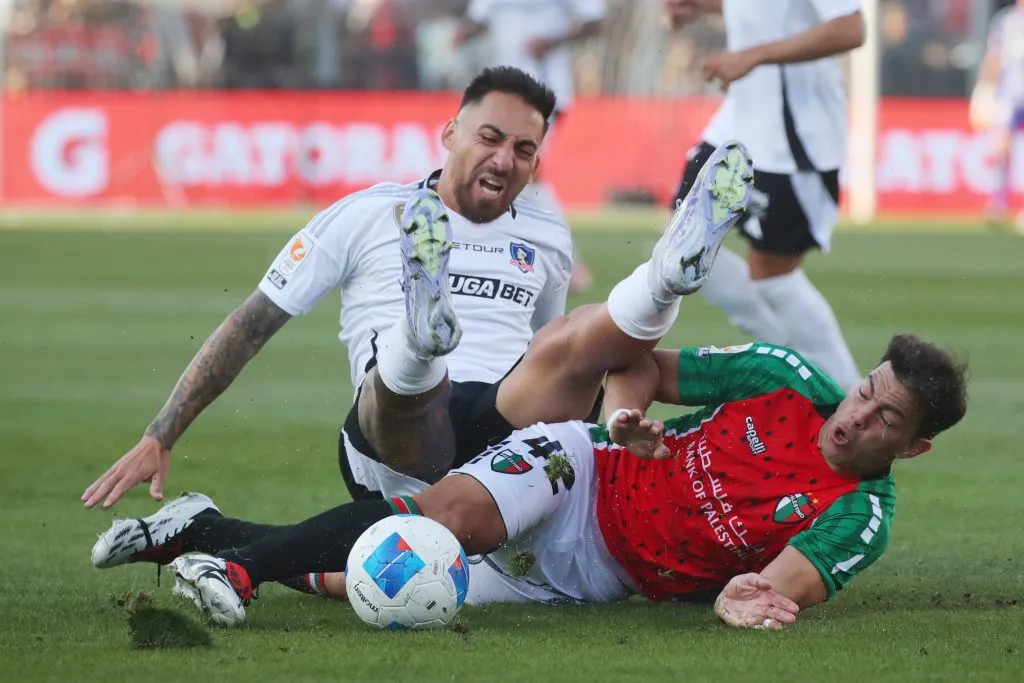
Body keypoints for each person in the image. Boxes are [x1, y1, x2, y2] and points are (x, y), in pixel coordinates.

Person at [83, 66, 748, 517]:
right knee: (413, 386)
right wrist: (161, 432)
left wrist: (609, 431)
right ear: (450, 133)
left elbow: (555, 357)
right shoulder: (370, 213)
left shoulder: (546, 235)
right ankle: (421, 336)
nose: (503, 158)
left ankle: (671, 270)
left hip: (501, 421)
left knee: (573, 339)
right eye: (490, 137)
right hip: (392, 441)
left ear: (536, 163)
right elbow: (253, 322)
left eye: (523, 149)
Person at [90, 331, 968, 629]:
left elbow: (773, 586)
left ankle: (201, 531)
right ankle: (234, 573)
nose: (856, 416)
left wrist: (745, 600)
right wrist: (623, 415)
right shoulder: (783, 376)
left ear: (914, 447)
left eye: (886, 419)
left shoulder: (860, 516)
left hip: (597, 578)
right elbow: (640, 364)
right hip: (584, 469)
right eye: (866, 390)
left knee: (365, 583)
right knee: (445, 519)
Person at [664, 0, 866, 391]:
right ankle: (788, 368)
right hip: (742, 112)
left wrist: (753, 56)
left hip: (794, 136)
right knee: (681, 243)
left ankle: (846, 398)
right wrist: (702, 7)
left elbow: (850, 28)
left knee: (773, 279)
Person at [454, 0, 606, 292]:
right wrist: (463, 32)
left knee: (528, 175)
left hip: (544, 92)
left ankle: (567, 263)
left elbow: (594, 21)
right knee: (517, 178)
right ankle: (551, 262)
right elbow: (480, 18)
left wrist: (552, 41)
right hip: (501, 94)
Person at [971, 0, 1024, 231]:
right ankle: (999, 204)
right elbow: (994, 58)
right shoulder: (1005, 20)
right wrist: (985, 88)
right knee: (1001, 146)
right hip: (1010, 93)